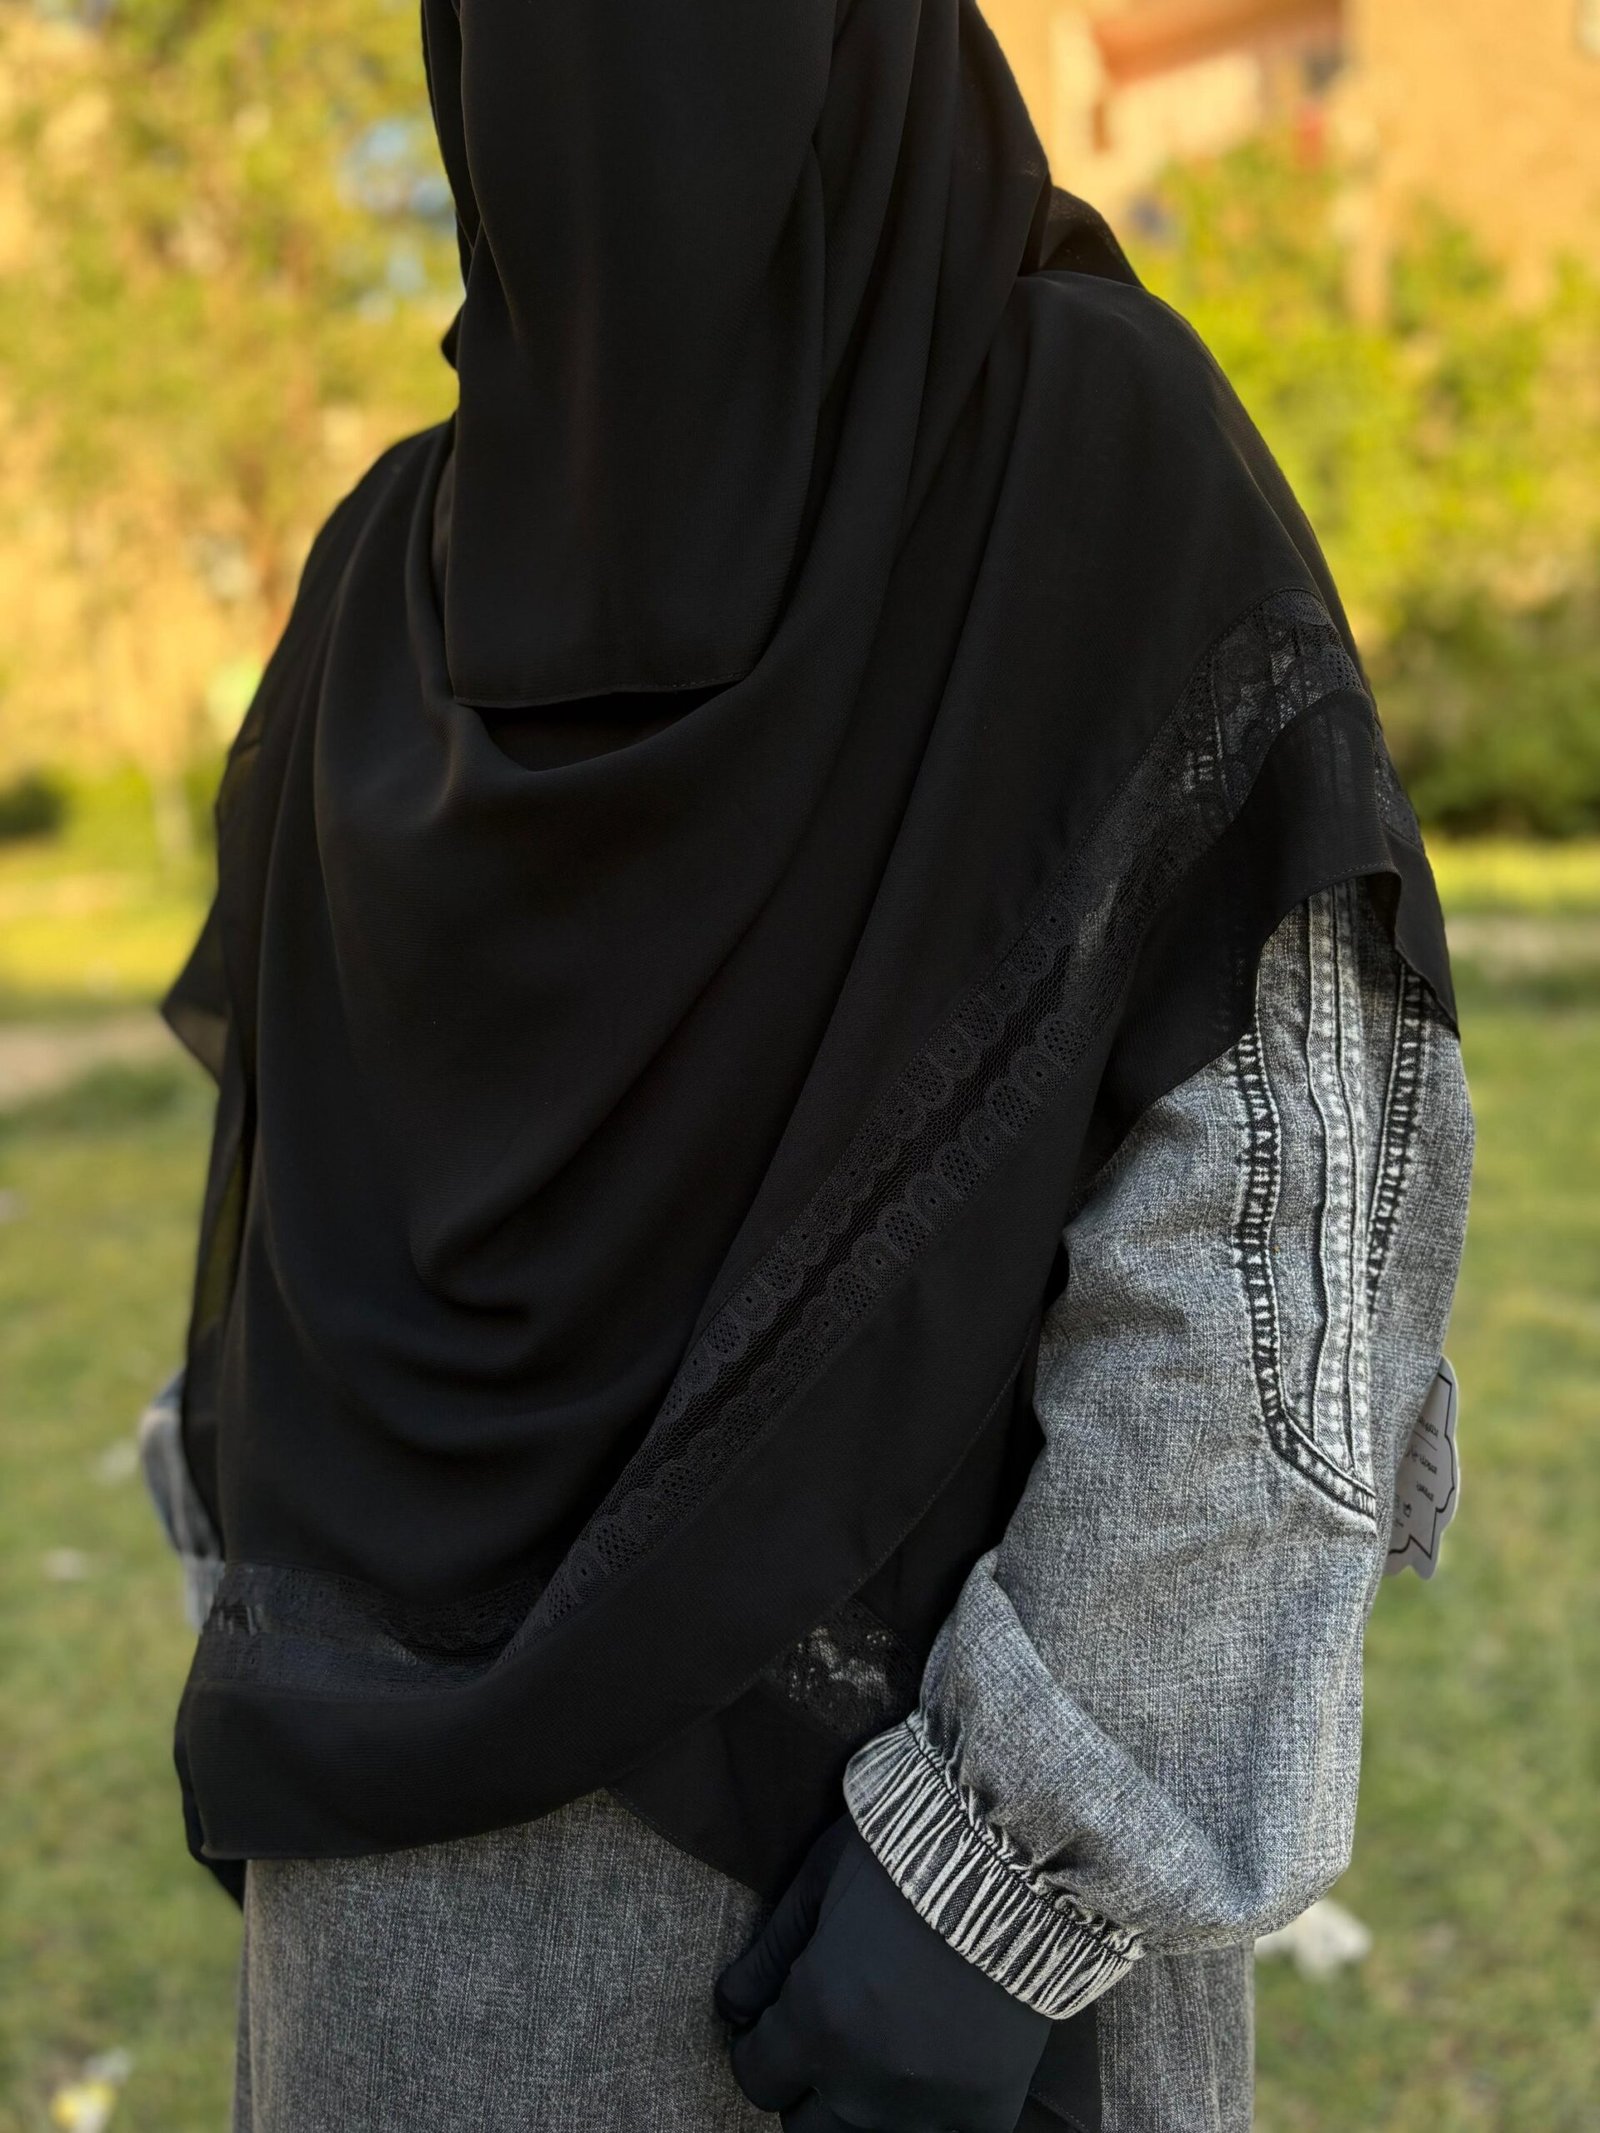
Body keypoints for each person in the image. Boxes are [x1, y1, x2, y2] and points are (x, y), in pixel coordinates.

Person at [141, 1, 1474, 2127]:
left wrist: (999, 1877)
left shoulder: (1081, 465)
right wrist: (279, 1667)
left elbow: (1278, 1221)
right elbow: (281, 1227)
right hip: (405, 1953)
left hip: (881, 1949)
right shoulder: (390, 570)